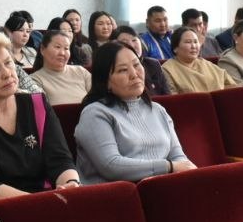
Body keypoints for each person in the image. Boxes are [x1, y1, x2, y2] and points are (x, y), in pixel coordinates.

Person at [0, 28, 80, 200]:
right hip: (1, 207)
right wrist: (40, 203)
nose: (7, 73)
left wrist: (71, 183)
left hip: (49, 199)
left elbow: (60, 159)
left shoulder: (37, 104)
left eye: (8, 63)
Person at [75, 42, 195, 184]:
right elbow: (111, 165)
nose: (134, 74)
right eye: (122, 70)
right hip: (118, 194)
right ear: (106, 81)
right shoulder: (95, 113)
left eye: (137, 65)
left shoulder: (158, 110)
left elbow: (178, 156)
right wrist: (168, 167)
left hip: (161, 188)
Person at [161, 26, 234, 94]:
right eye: (188, 42)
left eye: (196, 42)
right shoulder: (167, 69)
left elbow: (232, 86)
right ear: (175, 48)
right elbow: (172, 97)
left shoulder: (207, 64)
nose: (193, 46)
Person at [30, 30, 93, 105]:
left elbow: (98, 98)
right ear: (42, 49)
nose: (62, 53)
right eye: (57, 47)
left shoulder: (81, 71)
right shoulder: (35, 80)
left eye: (66, 48)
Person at [114, 25, 170, 97]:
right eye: (124, 42)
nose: (131, 45)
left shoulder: (153, 64)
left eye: (134, 40)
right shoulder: (115, 68)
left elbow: (167, 95)